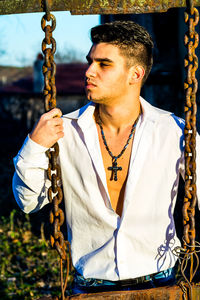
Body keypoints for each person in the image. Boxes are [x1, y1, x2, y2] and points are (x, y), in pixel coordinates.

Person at [13, 20, 200, 294]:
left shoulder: (175, 132)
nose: (88, 71)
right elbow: (29, 202)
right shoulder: (65, 132)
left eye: (104, 64)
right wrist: (35, 146)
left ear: (135, 74)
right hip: (91, 290)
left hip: (162, 286)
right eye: (91, 61)